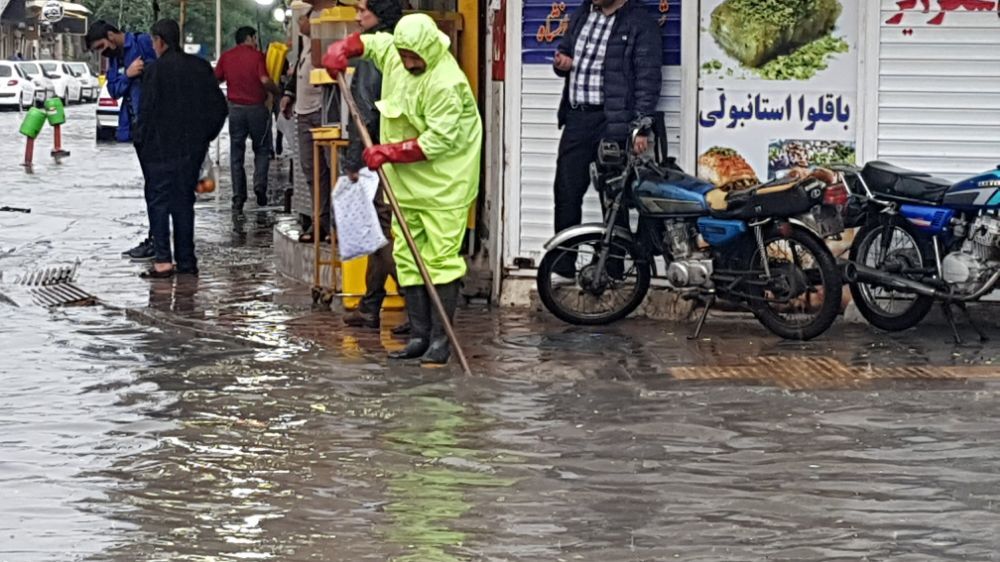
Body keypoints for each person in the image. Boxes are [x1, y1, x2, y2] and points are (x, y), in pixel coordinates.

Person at [324, 13, 481, 365]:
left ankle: (441, 339)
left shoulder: (446, 83)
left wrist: (388, 151)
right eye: (405, 56)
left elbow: (438, 141)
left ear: (428, 50)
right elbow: (370, 43)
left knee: (439, 260)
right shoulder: (395, 54)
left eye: (415, 58)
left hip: (444, 185)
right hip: (404, 184)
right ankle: (419, 335)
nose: (408, 63)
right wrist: (343, 48)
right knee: (408, 258)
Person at [550, 0, 661, 279]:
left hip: (612, 122)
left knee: (614, 197)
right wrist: (562, 63)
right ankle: (562, 266)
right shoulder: (582, 14)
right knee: (566, 191)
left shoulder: (639, 22)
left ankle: (611, 268)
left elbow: (648, 79)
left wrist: (641, 126)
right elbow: (565, 54)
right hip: (577, 118)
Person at [136, 19, 228, 279]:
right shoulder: (200, 68)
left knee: (158, 202)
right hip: (191, 149)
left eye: (154, 41)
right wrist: (204, 137)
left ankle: (163, 261)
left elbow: (146, 113)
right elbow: (219, 108)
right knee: (183, 203)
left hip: (159, 150)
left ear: (160, 41)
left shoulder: (155, 72)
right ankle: (186, 261)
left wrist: (141, 143)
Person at [340, 0, 405, 331]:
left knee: (382, 233)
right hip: (401, 151)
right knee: (378, 229)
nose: (357, 15)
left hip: (380, 153)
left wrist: (353, 159)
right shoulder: (403, 46)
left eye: (363, 10)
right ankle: (370, 305)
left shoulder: (374, 53)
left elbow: (363, 112)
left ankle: (419, 299)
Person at [86, 20, 158, 261]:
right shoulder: (115, 60)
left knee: (158, 185)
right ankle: (155, 237)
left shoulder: (143, 43)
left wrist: (144, 70)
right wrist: (127, 74)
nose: (102, 52)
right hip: (135, 127)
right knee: (150, 184)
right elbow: (114, 89)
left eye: (101, 46)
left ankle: (160, 240)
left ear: (111, 35)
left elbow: (162, 74)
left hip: (155, 125)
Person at [280, 0, 335, 244]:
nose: (299, 23)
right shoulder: (303, 44)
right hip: (303, 112)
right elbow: (298, 72)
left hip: (323, 109)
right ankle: (319, 219)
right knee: (311, 169)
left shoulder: (326, 36)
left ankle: (332, 222)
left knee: (330, 168)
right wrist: (289, 94)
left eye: (301, 19)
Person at [215, 26, 281, 214]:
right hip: (257, 110)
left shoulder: (227, 57)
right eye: (254, 38)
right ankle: (260, 185)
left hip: (235, 110)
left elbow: (216, 79)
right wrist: (277, 91)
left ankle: (238, 198)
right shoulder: (257, 56)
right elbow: (264, 79)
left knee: (236, 155)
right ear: (249, 38)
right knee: (261, 149)